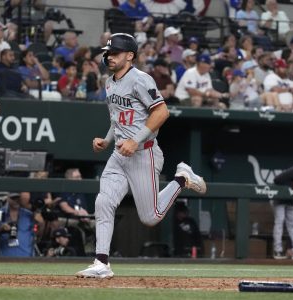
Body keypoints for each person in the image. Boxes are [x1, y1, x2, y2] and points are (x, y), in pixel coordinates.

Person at [75, 33, 206, 279]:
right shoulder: (109, 82)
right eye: (108, 52)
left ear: (130, 55)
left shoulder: (140, 79)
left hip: (143, 154)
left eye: (114, 53)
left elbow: (162, 112)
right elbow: (118, 119)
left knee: (150, 217)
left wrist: (136, 139)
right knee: (104, 202)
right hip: (118, 155)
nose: (109, 56)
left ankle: (182, 178)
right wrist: (107, 139)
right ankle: (101, 263)